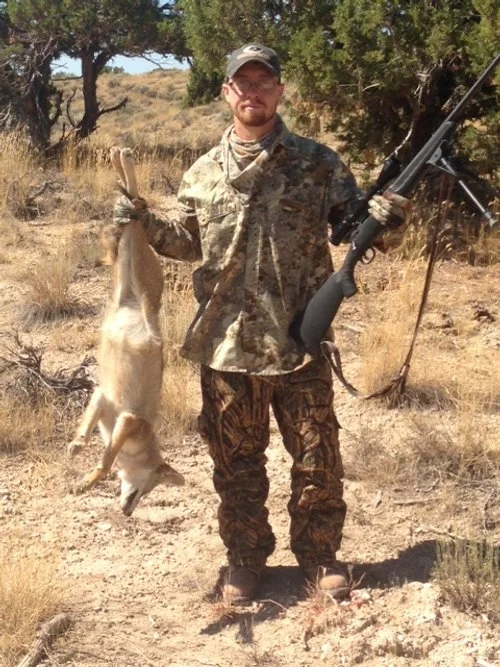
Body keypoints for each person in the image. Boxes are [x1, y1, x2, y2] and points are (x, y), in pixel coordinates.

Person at [113, 43, 411, 604]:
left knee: (318, 458)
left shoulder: (319, 163)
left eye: (263, 82)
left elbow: (354, 231)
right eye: (242, 83)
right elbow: (186, 242)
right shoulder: (202, 171)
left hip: (299, 340)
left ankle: (321, 556)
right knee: (235, 465)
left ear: (279, 90)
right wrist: (142, 221)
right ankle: (246, 560)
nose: (253, 92)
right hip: (226, 344)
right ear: (227, 92)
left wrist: (386, 218)